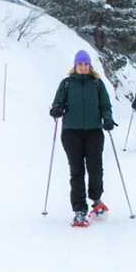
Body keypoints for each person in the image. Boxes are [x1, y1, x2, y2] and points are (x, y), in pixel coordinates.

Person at [49, 49, 115, 227]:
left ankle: (96, 199)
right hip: (71, 132)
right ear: (75, 66)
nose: (83, 67)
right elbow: (58, 102)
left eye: (86, 64)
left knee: (95, 168)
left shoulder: (97, 84)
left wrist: (107, 118)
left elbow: (105, 105)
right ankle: (79, 209)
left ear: (90, 66)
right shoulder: (67, 83)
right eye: (80, 64)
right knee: (76, 171)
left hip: (94, 131)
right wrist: (56, 109)